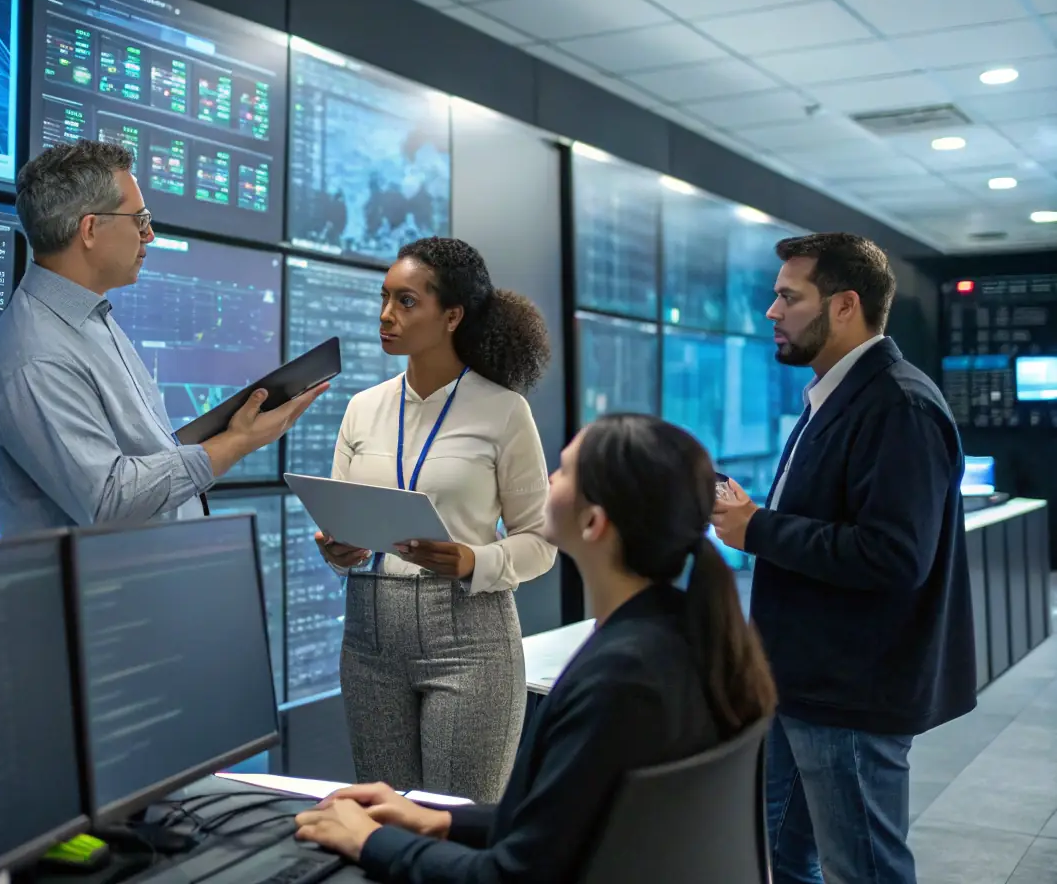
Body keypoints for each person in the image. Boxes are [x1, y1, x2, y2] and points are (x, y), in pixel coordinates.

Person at [294, 414, 778, 882]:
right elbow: (565, 819)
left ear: (593, 523)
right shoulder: (672, 638)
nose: (549, 478)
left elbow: (512, 874)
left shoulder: (620, 680)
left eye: (565, 470)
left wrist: (369, 842)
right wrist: (441, 819)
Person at [711, 232, 975, 884]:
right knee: (781, 858)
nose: (770, 313)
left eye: (787, 297)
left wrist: (759, 530)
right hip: (801, 683)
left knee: (862, 870)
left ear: (844, 305)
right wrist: (756, 522)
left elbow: (892, 556)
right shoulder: (839, 396)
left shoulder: (897, 404)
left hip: (849, 694)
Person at [0, 141, 322, 537]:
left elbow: (141, 458)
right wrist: (237, 442)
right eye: (139, 219)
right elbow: (109, 501)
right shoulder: (33, 357)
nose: (149, 234)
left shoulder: (89, 321)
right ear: (89, 229)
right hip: (98, 596)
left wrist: (228, 432)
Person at [313, 237, 554, 803]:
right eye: (384, 298)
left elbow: (541, 539)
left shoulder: (503, 410)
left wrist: (477, 559)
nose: (385, 316)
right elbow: (340, 518)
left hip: (469, 636)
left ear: (452, 316)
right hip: (368, 634)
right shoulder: (361, 408)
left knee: (457, 827)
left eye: (405, 301)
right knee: (382, 824)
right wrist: (336, 549)